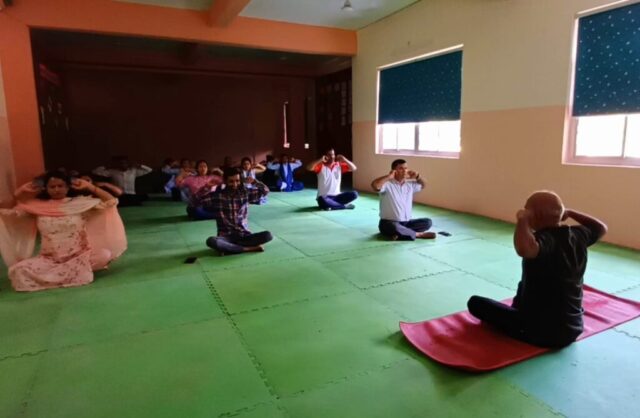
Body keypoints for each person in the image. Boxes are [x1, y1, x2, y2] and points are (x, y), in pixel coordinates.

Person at [466, 191, 607, 348]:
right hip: (573, 327)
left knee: (476, 303)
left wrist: (522, 220)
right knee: (525, 285)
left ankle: (521, 322)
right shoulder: (578, 234)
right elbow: (601, 228)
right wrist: (571, 212)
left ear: (533, 214)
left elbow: (524, 249)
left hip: (541, 332)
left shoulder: (544, 240)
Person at [0, 170, 127, 292]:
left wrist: (91, 187)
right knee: (18, 269)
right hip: (49, 259)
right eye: (52, 187)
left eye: (60, 186)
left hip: (80, 255)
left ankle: (59, 274)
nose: (56, 189)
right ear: (46, 189)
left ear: (67, 187)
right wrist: (18, 193)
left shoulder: (79, 204)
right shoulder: (36, 207)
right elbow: (7, 214)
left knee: (104, 255)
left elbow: (111, 201)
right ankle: (70, 273)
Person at [194, 167, 272, 255]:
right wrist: (207, 187)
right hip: (226, 237)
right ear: (225, 181)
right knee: (212, 241)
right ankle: (248, 248)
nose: (235, 184)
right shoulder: (217, 196)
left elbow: (265, 191)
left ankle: (230, 248)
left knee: (268, 235)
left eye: (237, 181)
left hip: (244, 235)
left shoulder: (245, 193)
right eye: (231, 181)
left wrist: (254, 182)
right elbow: (196, 201)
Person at [371, 159, 436, 240]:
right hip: (389, 222)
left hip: (406, 223)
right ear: (394, 171)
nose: (405, 171)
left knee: (427, 222)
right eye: (401, 168)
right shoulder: (387, 184)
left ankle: (400, 233)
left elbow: (424, 185)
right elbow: (375, 186)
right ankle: (418, 234)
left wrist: (418, 177)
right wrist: (388, 176)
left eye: (406, 168)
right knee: (391, 227)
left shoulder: (410, 184)